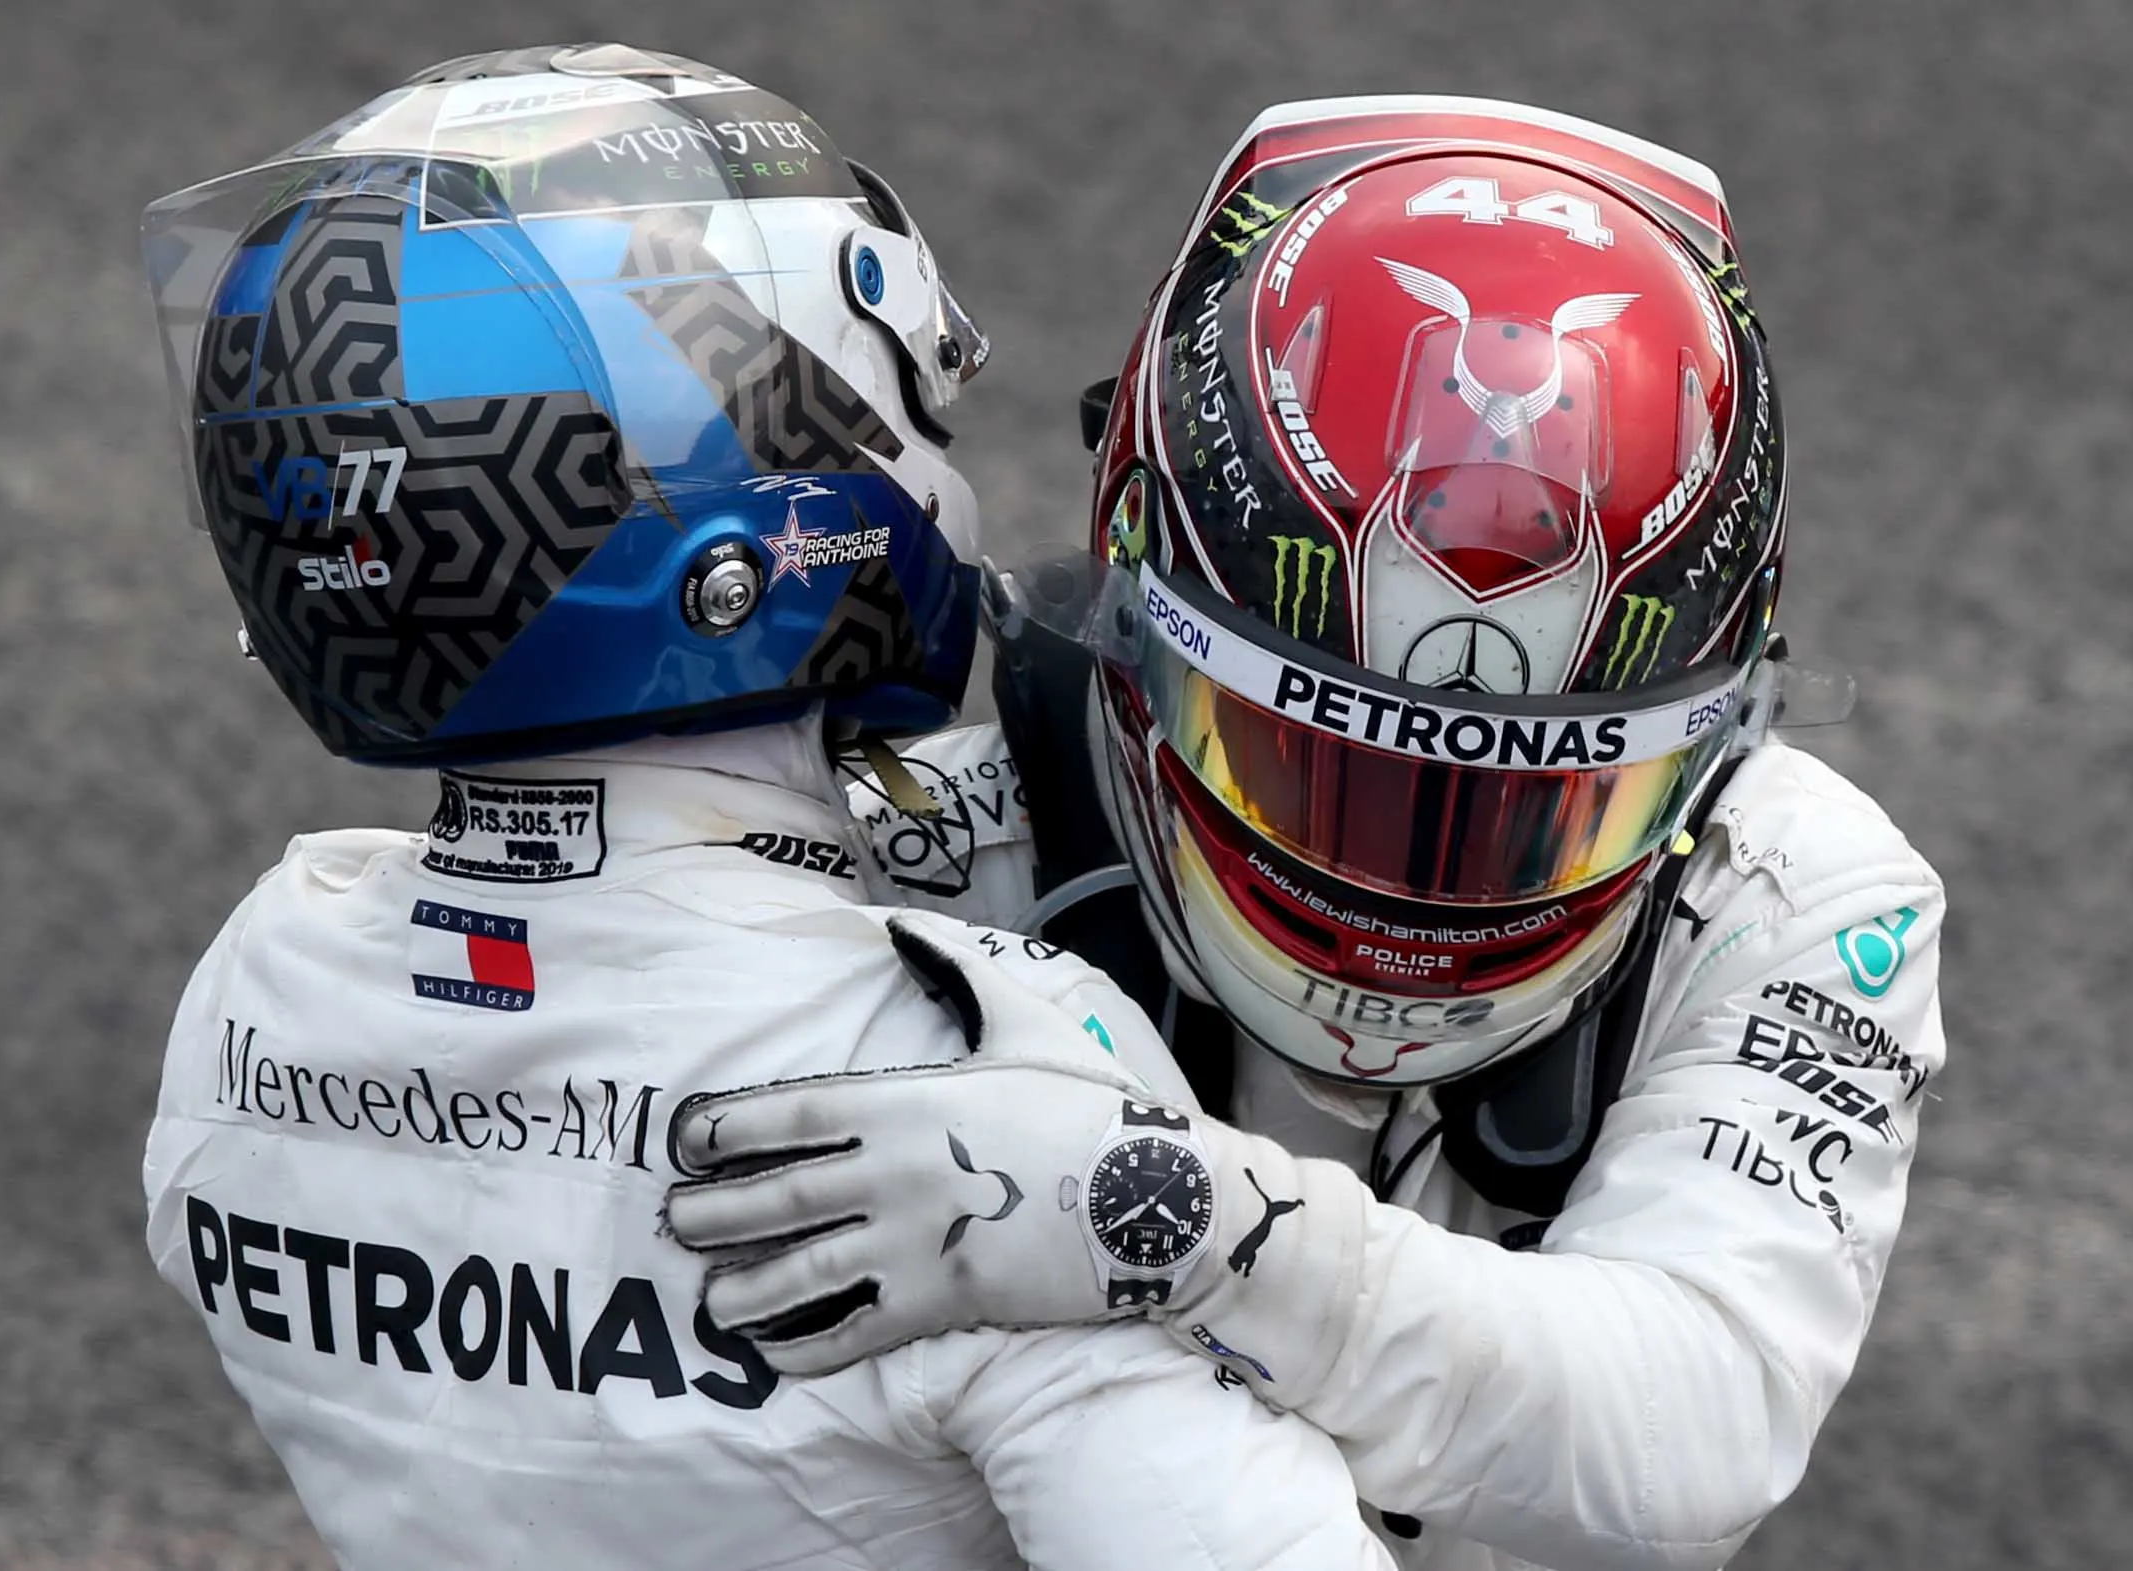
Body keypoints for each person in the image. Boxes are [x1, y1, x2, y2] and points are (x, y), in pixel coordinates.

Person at [137, 47, 1397, 1571]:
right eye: (908, 405)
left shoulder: (257, 1000)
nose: (933, 462)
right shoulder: (967, 1066)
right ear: (742, 520)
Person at [665, 96, 1950, 1571]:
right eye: (1314, 760)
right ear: (1133, 615)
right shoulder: (921, 830)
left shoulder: (1794, 892)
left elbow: (1688, 1433)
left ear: (1722, 719)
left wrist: (1165, 1215)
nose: (1409, 885)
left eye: (1536, 801)